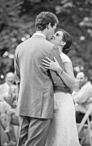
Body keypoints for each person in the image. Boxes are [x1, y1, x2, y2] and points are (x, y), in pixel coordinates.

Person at [14, 11, 67, 146]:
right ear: (49, 25)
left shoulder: (19, 48)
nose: (54, 31)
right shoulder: (51, 48)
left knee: (22, 142)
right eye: (54, 27)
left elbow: (18, 79)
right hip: (41, 107)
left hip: (23, 104)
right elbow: (59, 81)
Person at [42, 29, 81, 146]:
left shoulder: (64, 58)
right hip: (50, 100)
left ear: (63, 43)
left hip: (63, 101)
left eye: (57, 35)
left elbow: (72, 84)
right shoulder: (49, 56)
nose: (53, 35)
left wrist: (58, 69)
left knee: (62, 135)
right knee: (52, 136)